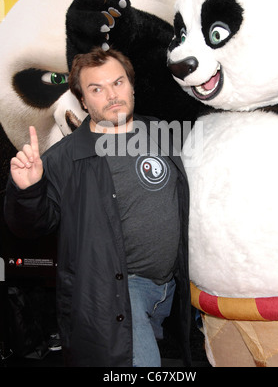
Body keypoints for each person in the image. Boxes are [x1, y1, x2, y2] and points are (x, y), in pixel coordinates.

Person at [4, 47, 191, 367]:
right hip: (119, 291)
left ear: (132, 85)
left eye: (118, 83)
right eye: (96, 88)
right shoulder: (66, 156)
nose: (112, 95)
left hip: (170, 286)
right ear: (83, 100)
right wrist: (28, 190)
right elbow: (31, 225)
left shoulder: (159, 131)